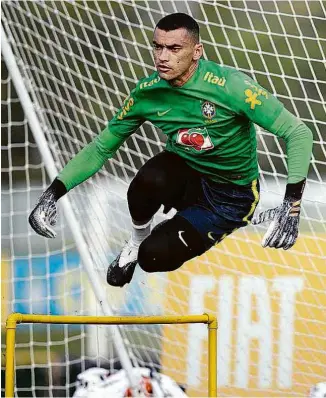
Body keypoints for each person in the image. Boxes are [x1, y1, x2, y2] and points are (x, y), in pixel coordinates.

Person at [29, 13, 313, 288]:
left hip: (229, 196)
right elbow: (101, 148)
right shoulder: (147, 92)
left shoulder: (232, 86)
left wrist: (292, 205)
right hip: (185, 174)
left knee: (153, 258)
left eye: (174, 48)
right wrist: (52, 194)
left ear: (197, 51)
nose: (163, 57)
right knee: (150, 178)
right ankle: (136, 240)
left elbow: (298, 133)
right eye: (158, 46)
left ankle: (151, 246)